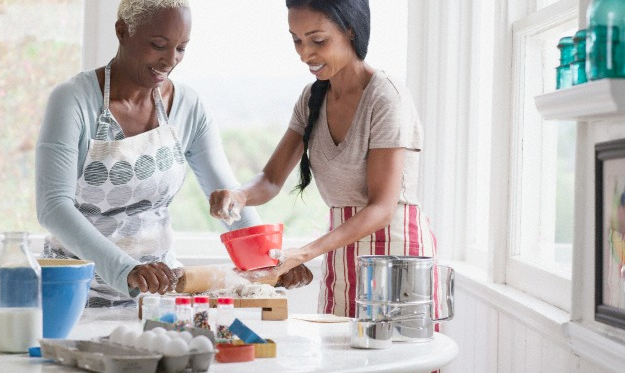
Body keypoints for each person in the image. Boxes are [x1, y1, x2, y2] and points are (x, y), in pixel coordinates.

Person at [210, 0, 437, 318]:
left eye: (318, 40)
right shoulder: (311, 98)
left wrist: (303, 253)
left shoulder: (386, 97)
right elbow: (272, 179)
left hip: (394, 256)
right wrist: (240, 195)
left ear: (351, 30)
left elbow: (382, 208)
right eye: (296, 40)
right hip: (341, 252)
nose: (305, 54)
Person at [35, 0, 266, 307]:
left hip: (156, 293)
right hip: (73, 293)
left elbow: (229, 198)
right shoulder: (73, 101)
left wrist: (269, 257)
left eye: (181, 48)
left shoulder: (188, 106)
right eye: (158, 45)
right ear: (122, 31)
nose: (171, 59)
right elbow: (53, 207)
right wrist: (125, 270)